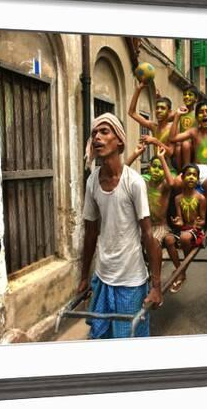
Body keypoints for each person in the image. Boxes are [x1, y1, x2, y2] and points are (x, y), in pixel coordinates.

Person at [78, 113, 163, 339]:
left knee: (127, 345)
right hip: (103, 277)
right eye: (94, 133)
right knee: (100, 338)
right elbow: (90, 233)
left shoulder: (133, 182)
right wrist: (84, 277)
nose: (97, 137)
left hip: (131, 280)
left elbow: (148, 234)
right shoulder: (92, 182)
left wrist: (156, 286)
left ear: (120, 142)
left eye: (104, 132)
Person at [126, 144, 184, 293]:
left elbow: (172, 183)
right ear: (149, 168)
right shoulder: (143, 182)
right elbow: (122, 173)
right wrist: (135, 154)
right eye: (154, 167)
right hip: (144, 226)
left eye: (160, 168)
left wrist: (161, 158)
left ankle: (155, 282)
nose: (157, 170)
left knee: (153, 241)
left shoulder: (164, 185)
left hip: (161, 226)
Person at [170, 163, 207, 289]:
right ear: (182, 177)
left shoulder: (201, 198)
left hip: (195, 231)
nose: (191, 177)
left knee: (185, 238)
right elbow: (180, 219)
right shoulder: (177, 199)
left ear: (197, 179)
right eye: (188, 175)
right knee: (168, 239)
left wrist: (199, 223)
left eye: (194, 175)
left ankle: (182, 270)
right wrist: (177, 221)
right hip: (183, 229)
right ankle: (181, 270)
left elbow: (203, 220)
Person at [127, 82, 175, 157]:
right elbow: (132, 113)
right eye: (157, 108)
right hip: (155, 165)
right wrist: (138, 90)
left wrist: (154, 141)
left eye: (162, 108)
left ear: (169, 112)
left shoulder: (172, 128)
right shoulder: (153, 126)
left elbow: (171, 152)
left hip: (169, 168)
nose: (159, 110)